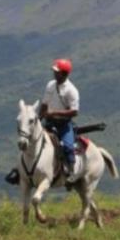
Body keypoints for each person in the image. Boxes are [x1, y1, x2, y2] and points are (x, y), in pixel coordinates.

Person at [38, 57, 80, 185]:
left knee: (67, 146)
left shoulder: (71, 90)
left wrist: (54, 113)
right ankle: (21, 171)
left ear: (64, 74)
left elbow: (74, 112)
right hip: (49, 122)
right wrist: (39, 119)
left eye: (57, 71)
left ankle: (71, 171)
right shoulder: (50, 85)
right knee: (33, 140)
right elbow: (44, 104)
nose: (54, 73)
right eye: (55, 71)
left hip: (63, 124)